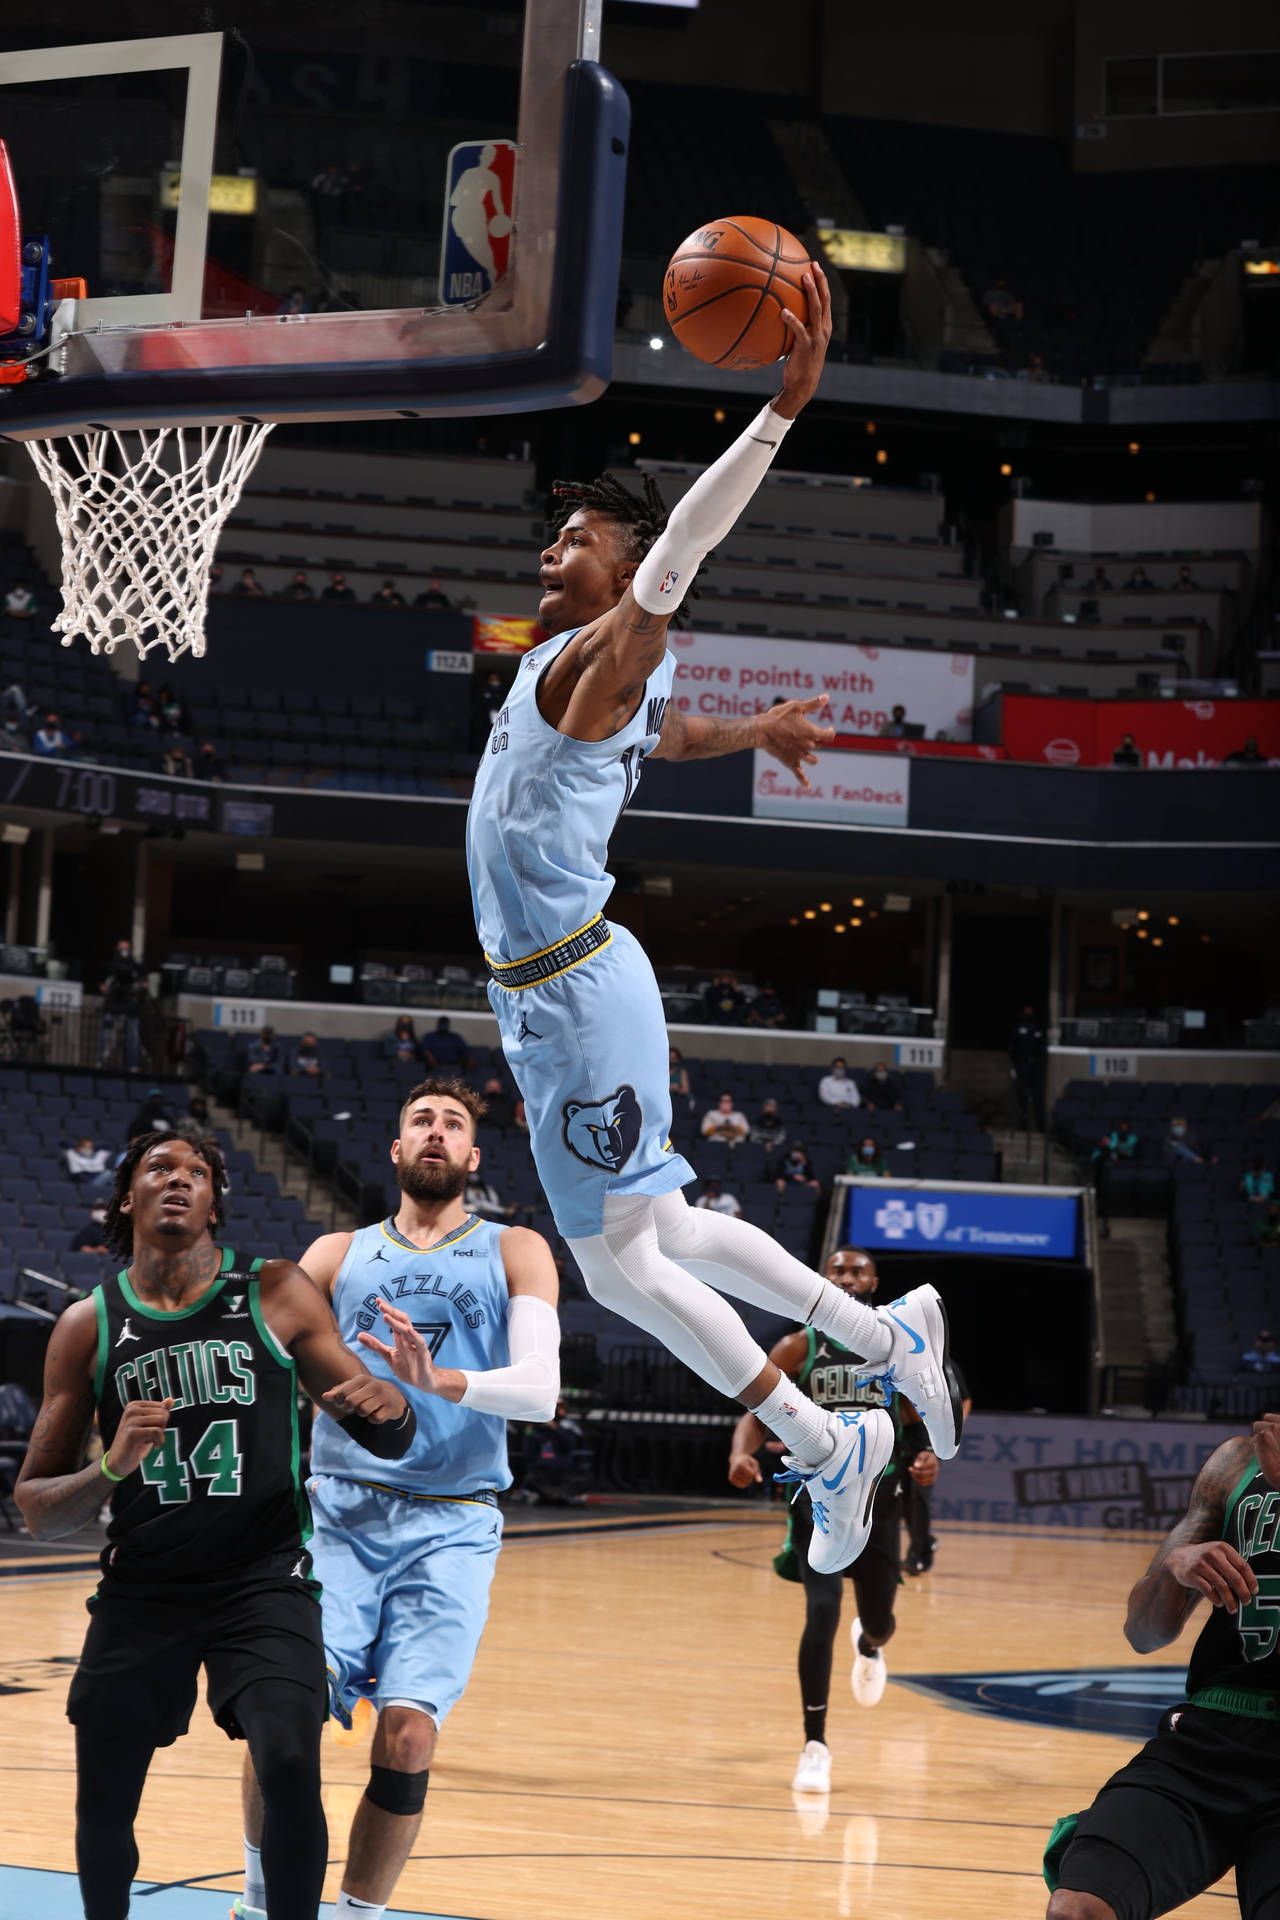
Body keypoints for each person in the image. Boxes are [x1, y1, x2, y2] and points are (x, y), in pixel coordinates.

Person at [465, 259, 960, 1581]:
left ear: (626, 566)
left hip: (571, 987)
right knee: (663, 1237)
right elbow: (662, 737)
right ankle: (885, 1338)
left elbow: (683, 544)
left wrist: (782, 411)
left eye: (574, 539)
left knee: (618, 1259)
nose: (546, 551)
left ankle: (822, 1435)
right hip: (564, 988)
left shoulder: (604, 643)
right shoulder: (579, 678)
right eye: (553, 539)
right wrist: (756, 729)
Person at [15, 1131, 415, 1920]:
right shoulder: (87, 1326)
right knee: (102, 1805)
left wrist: (394, 1408)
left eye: (198, 1173)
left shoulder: (275, 1289)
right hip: (142, 1590)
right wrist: (111, 1467)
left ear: (213, 1204)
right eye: (160, 1168)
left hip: (262, 1583)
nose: (179, 1180)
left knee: (292, 1759)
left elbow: (380, 1422)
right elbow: (35, 1508)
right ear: (125, 1197)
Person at [234, 1078, 560, 1920]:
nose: (437, 1133)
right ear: (396, 1148)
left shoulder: (515, 1247)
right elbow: (266, 1375)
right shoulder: (336, 1254)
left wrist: (437, 1378)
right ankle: (263, 1903)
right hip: (339, 1511)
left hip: (453, 1523)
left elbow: (540, 1393)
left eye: (454, 1124)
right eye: (421, 1120)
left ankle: (356, 1915)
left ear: (474, 1157)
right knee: (283, 1713)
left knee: (409, 1734)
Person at [1042, 1413, 1280, 1920]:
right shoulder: (1236, 1462)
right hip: (1210, 1740)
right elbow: (1144, 1632)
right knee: (1078, 1908)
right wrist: (1178, 1569)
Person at [727, 1247, 942, 1793]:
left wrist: (927, 1456)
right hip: (815, 1495)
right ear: (823, 1279)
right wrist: (741, 1454)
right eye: (837, 1270)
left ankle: (869, 1646)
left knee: (879, 1622)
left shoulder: (895, 1345)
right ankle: (814, 1745)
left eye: (856, 1270)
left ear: (874, 1280)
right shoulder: (802, 1345)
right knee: (820, 1613)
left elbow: (926, 1418)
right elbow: (757, 1409)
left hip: (880, 1497)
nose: (846, 1277)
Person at [99, 939, 147, 1073]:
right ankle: (101, 1062)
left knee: (133, 1036)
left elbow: (144, 984)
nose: (124, 952)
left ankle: (133, 1066)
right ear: (116, 949)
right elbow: (103, 986)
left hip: (131, 1006)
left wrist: (138, 986)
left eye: (127, 949)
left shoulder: (136, 968)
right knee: (108, 1036)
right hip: (113, 1005)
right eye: (121, 949)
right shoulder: (110, 967)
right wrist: (109, 988)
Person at [1009, 1004, 1046, 1131]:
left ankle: (1040, 1125)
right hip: (1022, 1065)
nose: (1029, 1013)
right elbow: (1013, 1048)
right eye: (1027, 1011)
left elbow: (1042, 1049)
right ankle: (1022, 1125)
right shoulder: (1018, 1029)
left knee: (1038, 1097)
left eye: (1031, 1011)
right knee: (1021, 1096)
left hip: (1035, 1066)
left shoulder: (1038, 1030)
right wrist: (1014, 1066)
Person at [668, 1045, 692, 1110]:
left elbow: (685, 1090)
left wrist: (676, 1088)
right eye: (669, 1057)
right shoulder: (660, 1071)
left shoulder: (681, 1071)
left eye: (674, 1058)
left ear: (678, 1059)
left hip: (680, 1099)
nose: (671, 1060)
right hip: (666, 1099)